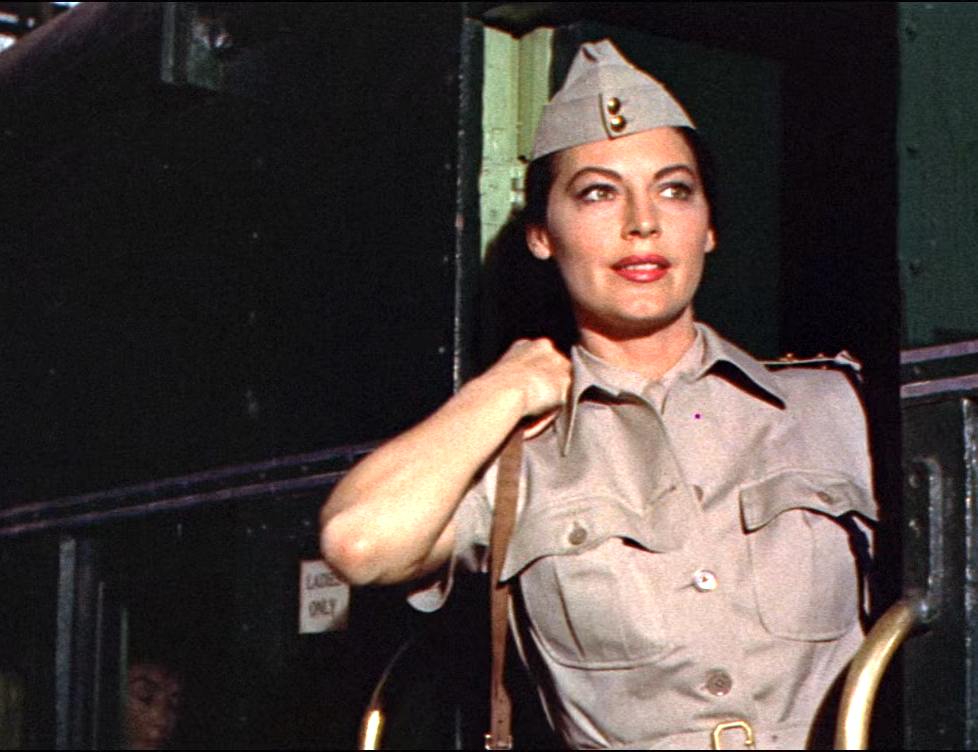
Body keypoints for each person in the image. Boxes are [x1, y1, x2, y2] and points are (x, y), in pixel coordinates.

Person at [320, 39, 876, 749]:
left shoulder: (832, 405)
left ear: (709, 227)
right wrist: (502, 388)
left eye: (674, 190)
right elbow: (359, 542)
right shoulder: (515, 453)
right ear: (541, 235)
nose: (643, 221)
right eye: (598, 193)